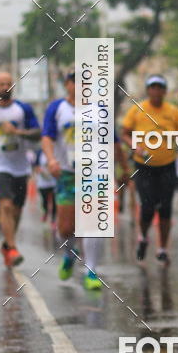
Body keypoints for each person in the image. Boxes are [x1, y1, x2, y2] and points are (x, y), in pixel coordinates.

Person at [42, 71, 127, 291]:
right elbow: (47, 138)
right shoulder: (57, 108)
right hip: (67, 173)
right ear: (67, 85)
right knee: (66, 227)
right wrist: (51, 160)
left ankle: (91, 270)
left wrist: (123, 168)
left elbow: (114, 143)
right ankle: (70, 254)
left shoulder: (101, 111)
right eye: (76, 82)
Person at [0, 72, 40, 266]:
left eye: (8, 84)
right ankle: (12, 249)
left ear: (13, 87)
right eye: (1, 84)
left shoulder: (23, 110)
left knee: (17, 210)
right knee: (5, 205)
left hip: (20, 165)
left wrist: (18, 131)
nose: (5, 87)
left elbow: (37, 134)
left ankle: (7, 244)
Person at [122, 75, 178, 264]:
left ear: (164, 91)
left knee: (165, 208)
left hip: (167, 166)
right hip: (144, 166)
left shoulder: (173, 112)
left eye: (160, 87)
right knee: (148, 207)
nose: (156, 91)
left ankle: (162, 248)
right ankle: (143, 237)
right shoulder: (137, 110)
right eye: (152, 87)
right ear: (148, 90)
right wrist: (135, 146)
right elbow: (125, 134)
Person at [33, 148, 57, 226]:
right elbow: (35, 165)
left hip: (54, 181)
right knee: (45, 200)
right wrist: (39, 170)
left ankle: (53, 219)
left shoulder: (56, 150)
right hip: (43, 182)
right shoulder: (39, 152)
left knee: (54, 201)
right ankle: (45, 211)